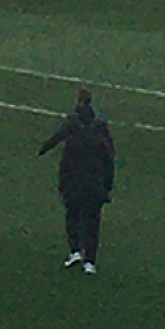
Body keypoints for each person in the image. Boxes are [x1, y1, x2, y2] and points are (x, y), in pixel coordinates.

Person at [39, 88, 116, 275]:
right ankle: (90, 261)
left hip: (75, 185)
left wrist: (62, 184)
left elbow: (65, 164)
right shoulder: (100, 138)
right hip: (95, 187)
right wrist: (108, 186)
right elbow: (109, 161)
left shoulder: (73, 141)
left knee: (73, 216)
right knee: (92, 223)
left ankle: (75, 251)